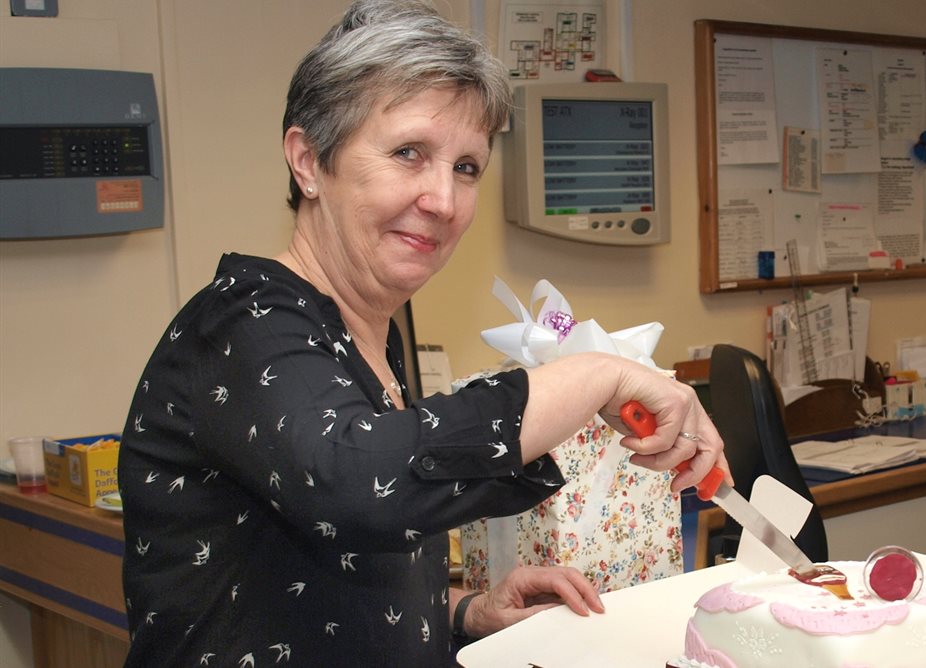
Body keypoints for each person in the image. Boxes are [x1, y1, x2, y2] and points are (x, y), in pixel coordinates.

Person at [117, 1, 727, 665]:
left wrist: (463, 611)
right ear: (308, 161)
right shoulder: (244, 323)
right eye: (410, 153)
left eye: (466, 167)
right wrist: (596, 373)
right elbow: (356, 483)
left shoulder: (371, 334)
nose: (443, 200)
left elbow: (325, 560)